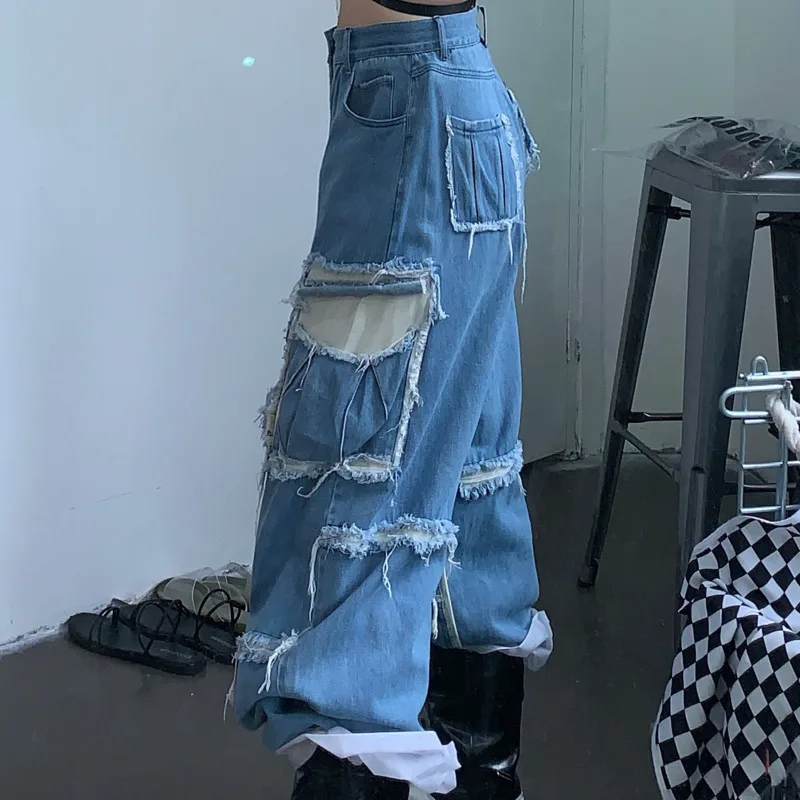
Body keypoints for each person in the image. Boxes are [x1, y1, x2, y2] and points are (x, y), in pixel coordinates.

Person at [232, 2, 553, 797]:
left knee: (358, 488)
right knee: (466, 485)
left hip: (416, 95)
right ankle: (480, 772)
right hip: (446, 93)